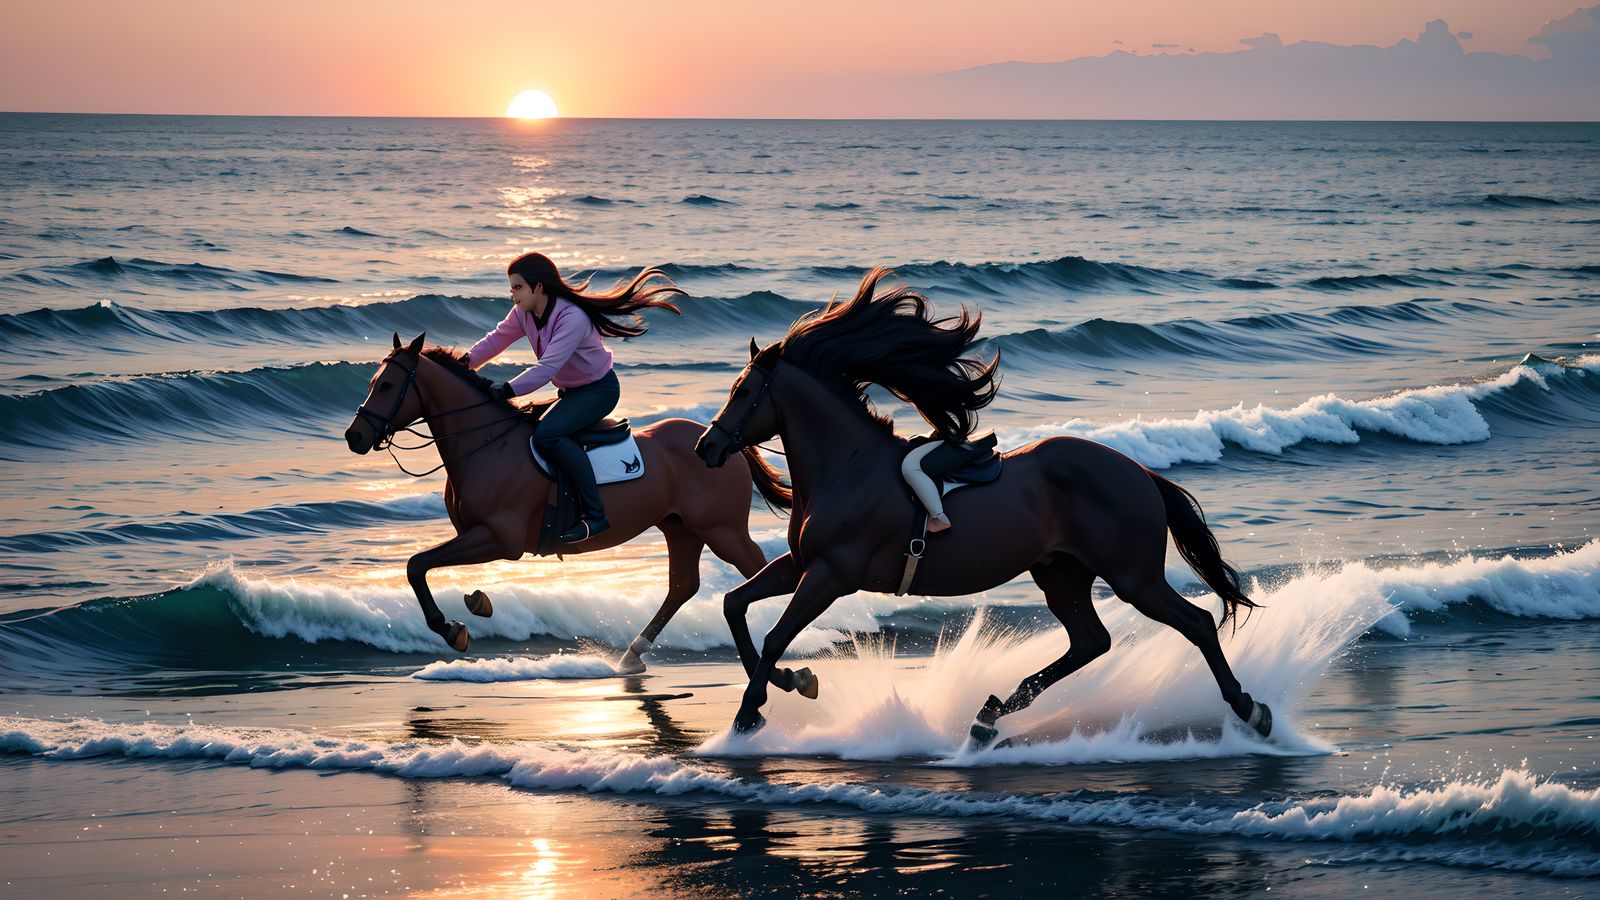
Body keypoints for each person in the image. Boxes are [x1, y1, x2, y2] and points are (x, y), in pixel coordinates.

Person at [467, 252, 682, 542]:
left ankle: (596, 516)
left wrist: (508, 390)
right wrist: (460, 364)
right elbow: (496, 340)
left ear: (538, 287)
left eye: (517, 287)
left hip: (598, 391)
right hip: (570, 392)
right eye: (511, 288)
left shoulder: (572, 317)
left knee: (548, 436)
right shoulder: (523, 313)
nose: (513, 295)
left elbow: (548, 368)